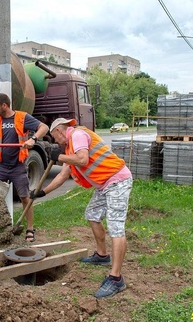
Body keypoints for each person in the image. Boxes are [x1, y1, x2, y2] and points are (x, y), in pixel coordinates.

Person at [31, 118, 132, 298]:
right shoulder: (70, 146)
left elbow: (83, 159)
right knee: (92, 214)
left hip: (117, 180)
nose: (55, 142)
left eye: (55, 138)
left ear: (60, 131)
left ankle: (116, 279)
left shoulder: (77, 135)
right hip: (104, 185)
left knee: (116, 227)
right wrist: (43, 192)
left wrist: (58, 156)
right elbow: (62, 175)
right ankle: (102, 256)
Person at [0, 93, 49, 242]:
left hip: (18, 166)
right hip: (1, 166)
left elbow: (44, 127)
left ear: (4, 105)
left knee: (25, 197)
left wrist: (33, 139)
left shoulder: (22, 117)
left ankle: (30, 229)